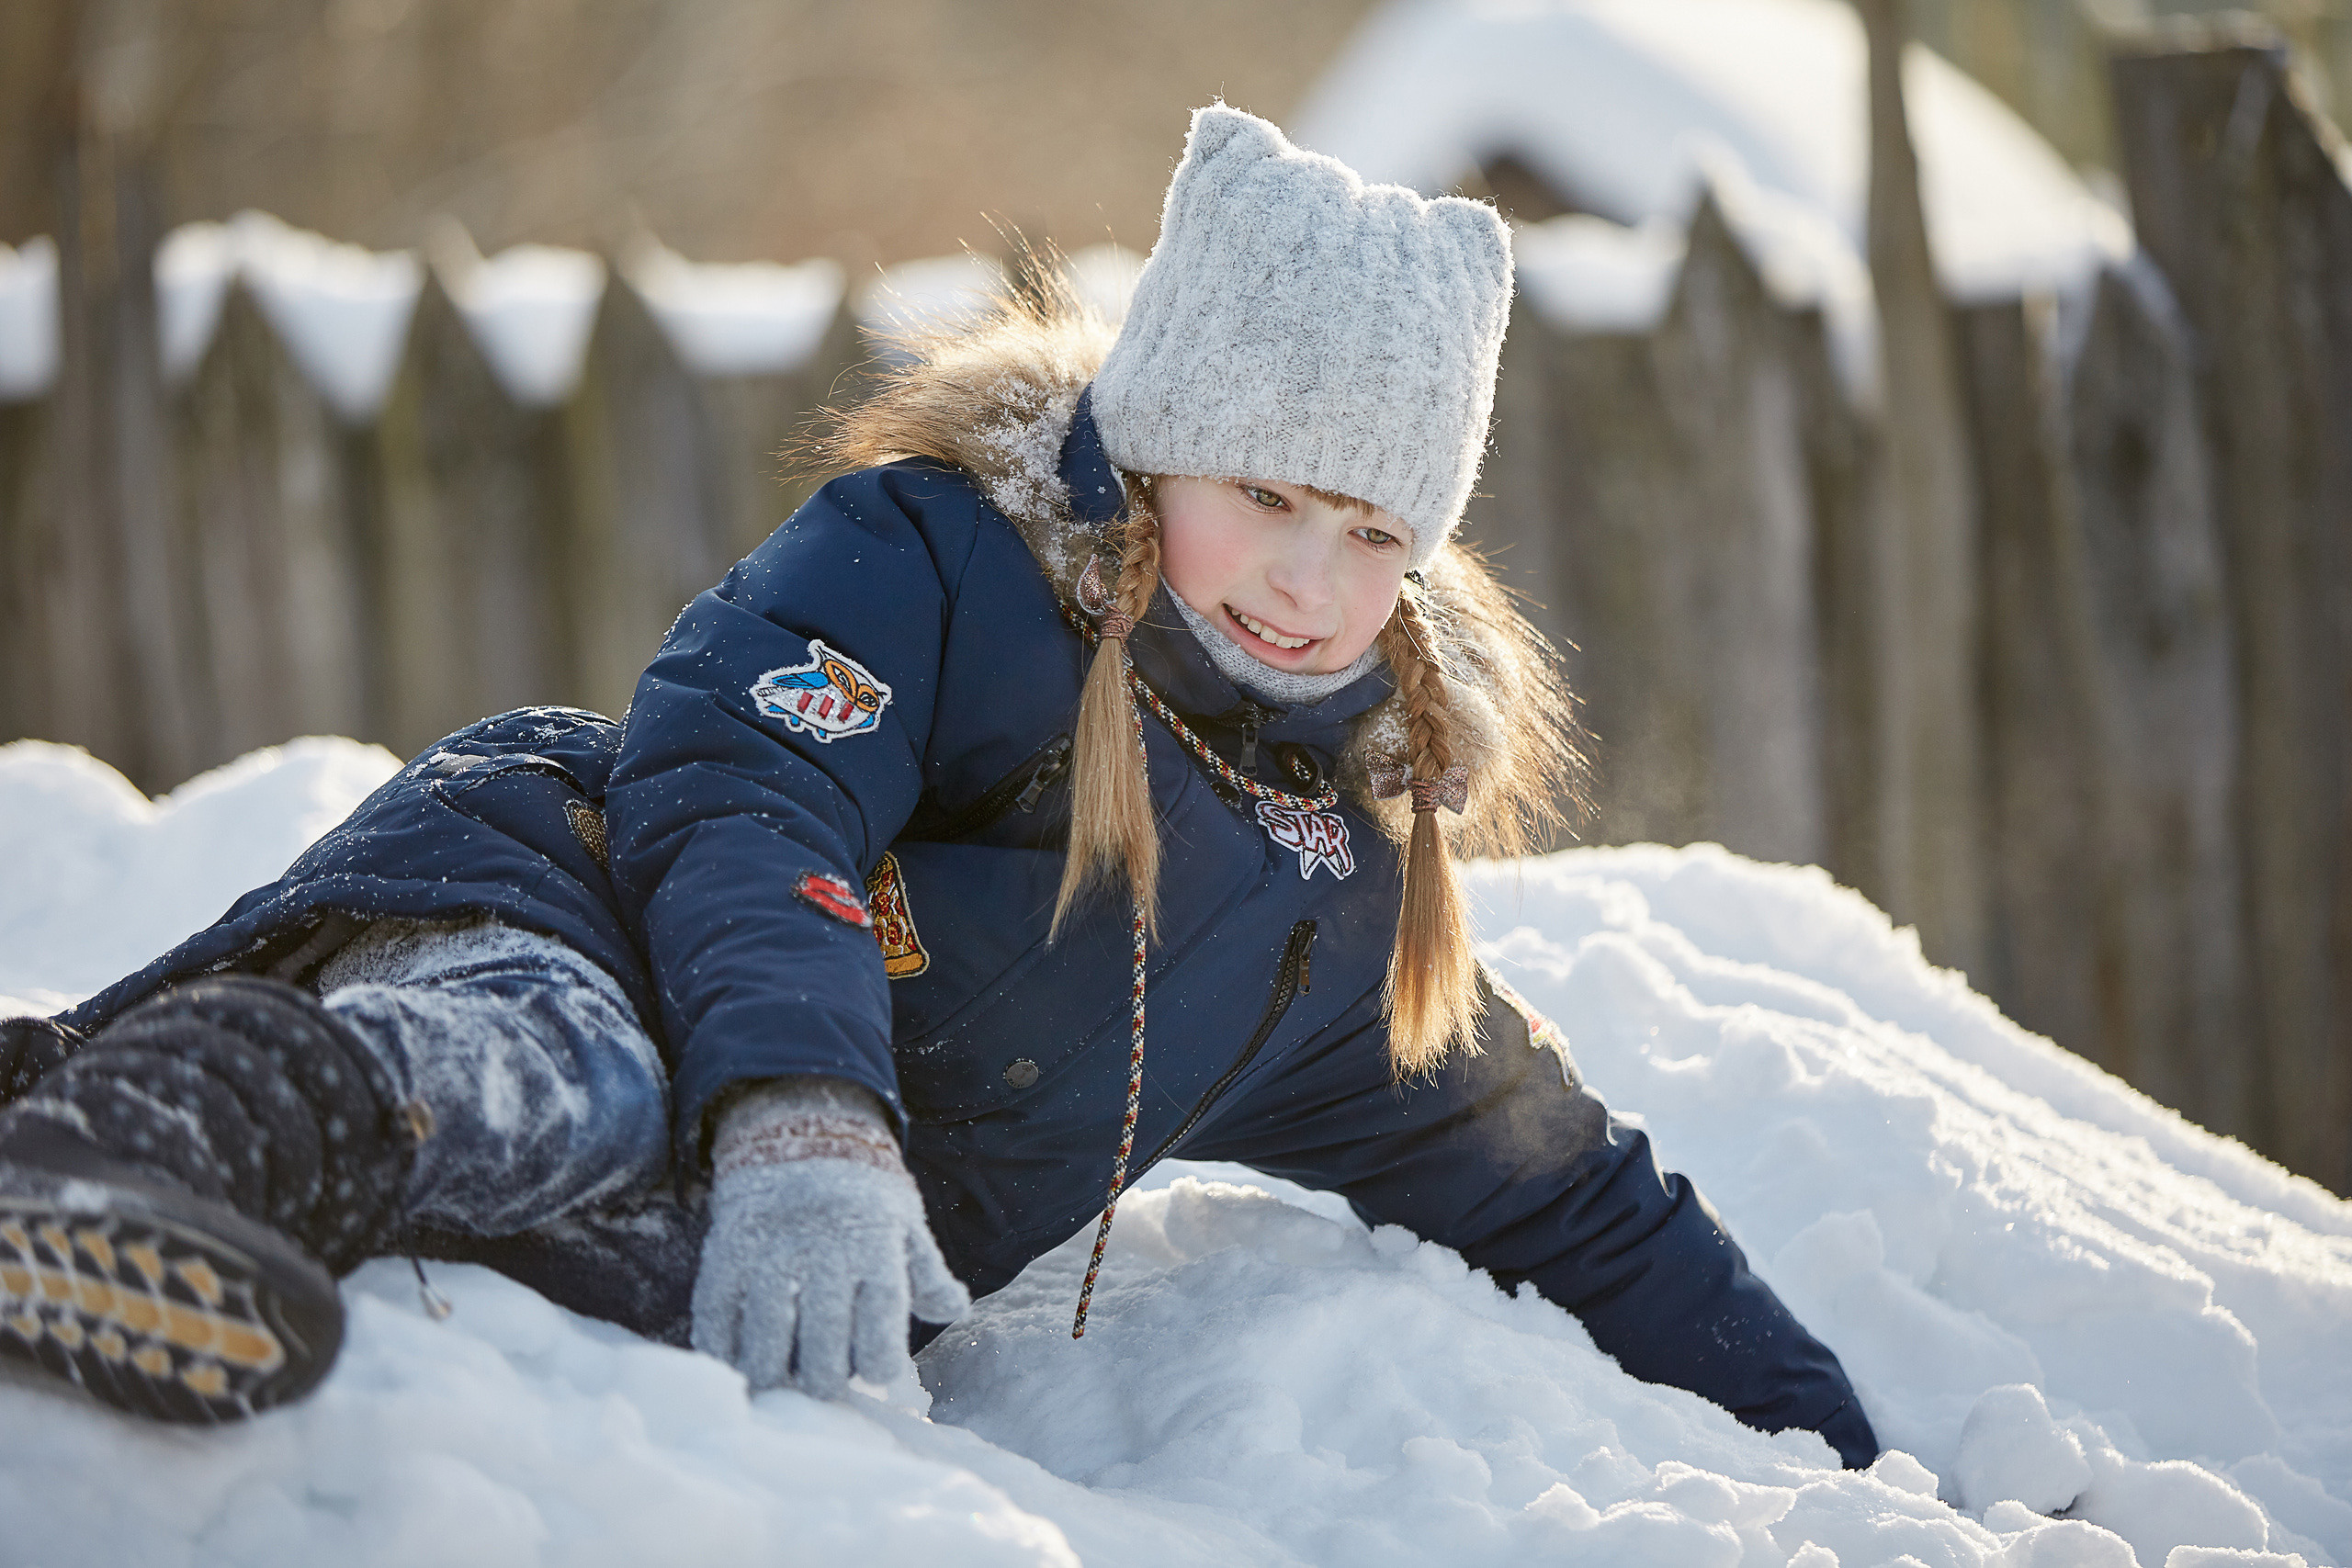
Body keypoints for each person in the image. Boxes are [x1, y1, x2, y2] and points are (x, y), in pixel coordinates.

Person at [0, 107, 1878, 1467]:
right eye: (1267, 500)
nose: (1310, 584)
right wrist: (810, 1110)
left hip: (722, 1183)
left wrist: (1847, 1464)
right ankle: (125, 1158)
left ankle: (107, 1148)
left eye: (1374, 530)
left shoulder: (1327, 909)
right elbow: (741, 780)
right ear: (1155, 451)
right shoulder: (947, 557)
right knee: (565, 1072)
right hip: (561, 900)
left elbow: (1571, 1197)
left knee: (640, 1266)